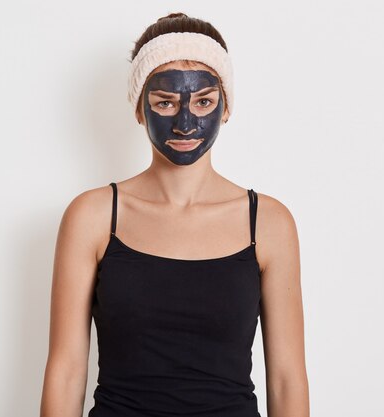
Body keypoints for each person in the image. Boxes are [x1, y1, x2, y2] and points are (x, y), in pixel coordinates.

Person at [40, 12, 309, 417]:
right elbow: (66, 372)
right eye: (165, 102)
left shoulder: (268, 223)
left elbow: (287, 378)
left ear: (227, 106)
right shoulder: (93, 217)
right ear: (139, 109)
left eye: (204, 101)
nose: (186, 124)